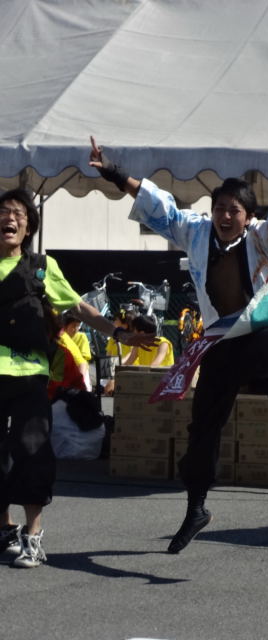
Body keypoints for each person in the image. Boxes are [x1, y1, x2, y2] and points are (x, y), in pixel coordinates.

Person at [89, 136, 268, 554]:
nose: (225, 216)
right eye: (219, 209)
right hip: (218, 342)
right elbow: (159, 206)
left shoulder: (262, 237)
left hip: (253, 329)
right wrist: (114, 173)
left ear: (248, 217)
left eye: (234, 210)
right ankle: (196, 508)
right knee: (203, 427)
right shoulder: (195, 232)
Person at [0, 188, 157, 568]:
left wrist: (118, 333)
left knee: (32, 450)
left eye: (19, 214)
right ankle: (4, 529)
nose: (10, 219)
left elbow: (79, 307)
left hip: (30, 375)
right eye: (3, 212)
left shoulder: (41, 268)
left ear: (29, 227)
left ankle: (33, 535)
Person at [103, 308, 137, 396]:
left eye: (116, 320)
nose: (114, 322)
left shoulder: (133, 337)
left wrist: (118, 364)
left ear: (125, 323)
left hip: (128, 368)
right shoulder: (114, 336)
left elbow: (130, 355)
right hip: (115, 368)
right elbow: (108, 353)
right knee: (107, 388)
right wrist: (109, 367)